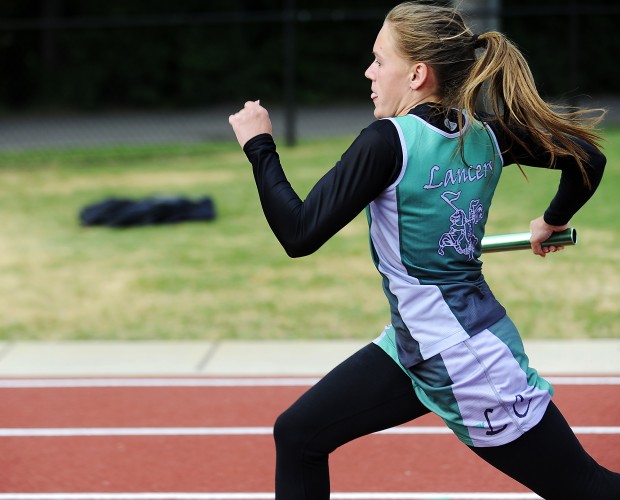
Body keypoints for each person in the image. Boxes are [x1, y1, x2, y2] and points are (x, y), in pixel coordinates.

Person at [229, 2, 620, 499]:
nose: (369, 72)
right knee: (299, 433)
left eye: (379, 59)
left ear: (416, 73)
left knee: (589, 488)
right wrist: (553, 219)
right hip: (414, 344)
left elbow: (299, 234)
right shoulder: (487, 133)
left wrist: (259, 146)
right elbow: (587, 159)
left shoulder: (387, 143)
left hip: (466, 359)